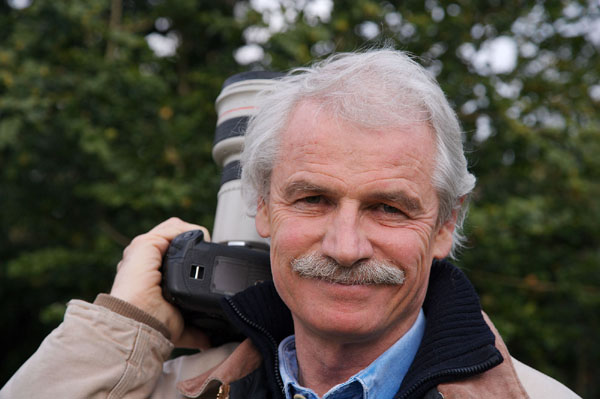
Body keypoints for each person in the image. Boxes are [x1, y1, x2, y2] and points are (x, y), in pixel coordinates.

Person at [1, 49, 580, 399]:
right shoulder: (168, 387)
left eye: (388, 207)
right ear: (262, 207)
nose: (346, 246)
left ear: (446, 226)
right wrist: (124, 327)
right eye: (313, 200)